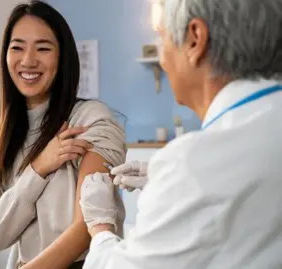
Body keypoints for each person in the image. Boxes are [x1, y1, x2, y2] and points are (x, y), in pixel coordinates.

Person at [79, 0, 282, 268]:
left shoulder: (193, 164)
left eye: (161, 36)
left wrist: (101, 227)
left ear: (195, 40)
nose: (162, 58)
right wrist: (162, 180)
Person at [0, 1, 127, 269]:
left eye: (43, 48)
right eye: (17, 47)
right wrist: (37, 169)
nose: (28, 60)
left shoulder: (90, 119)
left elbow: (87, 226)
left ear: (63, 57)